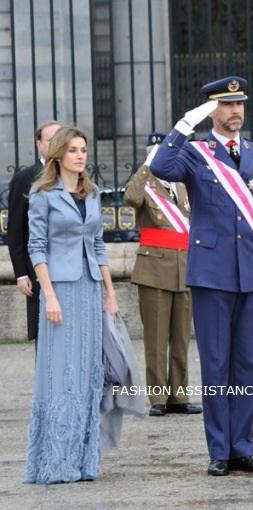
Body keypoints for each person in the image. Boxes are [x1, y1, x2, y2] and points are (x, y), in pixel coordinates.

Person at [150, 76, 253, 476]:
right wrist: (184, 125)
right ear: (212, 110)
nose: (235, 111)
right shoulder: (195, 153)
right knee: (216, 363)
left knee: (248, 364)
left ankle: (243, 447)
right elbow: (160, 166)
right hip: (212, 275)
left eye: (240, 103)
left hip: (251, 273)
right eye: (226, 105)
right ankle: (220, 451)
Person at [25, 126, 119, 484]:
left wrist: (110, 293)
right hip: (60, 291)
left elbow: (98, 246)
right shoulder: (42, 194)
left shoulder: (91, 193)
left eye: (84, 150)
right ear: (59, 154)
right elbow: (37, 247)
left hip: (90, 290)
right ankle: (56, 463)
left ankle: (84, 462)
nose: (81, 155)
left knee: (87, 377)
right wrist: (48, 294)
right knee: (62, 376)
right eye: (74, 150)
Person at [124, 132, 202, 417]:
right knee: (156, 339)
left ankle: (179, 396)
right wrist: (147, 165)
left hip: (184, 267)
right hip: (154, 269)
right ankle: (157, 398)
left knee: (181, 338)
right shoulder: (146, 184)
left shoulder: (182, 186)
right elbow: (130, 198)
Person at [7, 120, 62, 345]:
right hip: (38, 268)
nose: (57, 145)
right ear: (39, 144)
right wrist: (21, 273)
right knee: (45, 332)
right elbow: (16, 230)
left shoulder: (74, 174)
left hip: (68, 266)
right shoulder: (24, 179)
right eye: (51, 141)